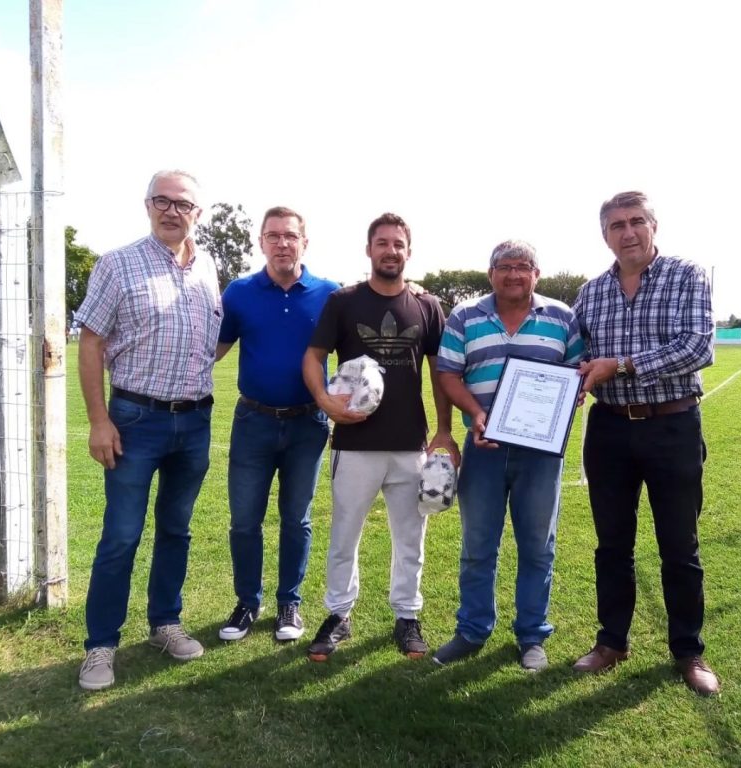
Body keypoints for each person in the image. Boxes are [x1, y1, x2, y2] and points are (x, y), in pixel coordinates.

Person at [75, 170, 221, 691]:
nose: (171, 211)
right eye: (162, 200)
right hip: (135, 421)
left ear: (197, 214)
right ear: (147, 205)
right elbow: (91, 342)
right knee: (121, 535)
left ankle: (165, 623)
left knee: (176, 529)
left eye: (183, 204)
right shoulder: (118, 264)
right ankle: (100, 646)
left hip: (195, 421)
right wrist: (99, 420)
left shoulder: (208, 267)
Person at [570, 190, 719, 696]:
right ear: (605, 235)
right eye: (617, 225)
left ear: (653, 226)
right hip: (609, 429)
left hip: (672, 426)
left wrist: (623, 365)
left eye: (637, 221)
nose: (628, 232)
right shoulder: (590, 293)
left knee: (679, 545)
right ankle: (611, 642)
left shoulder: (686, 275)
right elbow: (573, 354)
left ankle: (688, 651)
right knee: (612, 544)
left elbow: (697, 347)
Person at [302, 212, 459, 661]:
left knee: (411, 538)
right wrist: (324, 400)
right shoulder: (344, 301)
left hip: (410, 444)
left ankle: (407, 616)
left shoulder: (427, 306)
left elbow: (440, 372)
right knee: (344, 536)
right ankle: (338, 614)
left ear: (409, 251)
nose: (391, 251)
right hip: (354, 445)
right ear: (369, 249)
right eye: (383, 243)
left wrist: (444, 431)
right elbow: (313, 356)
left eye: (398, 244)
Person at [433, 240, 584, 671]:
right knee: (478, 546)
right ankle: (472, 630)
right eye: (504, 266)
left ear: (536, 273)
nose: (513, 274)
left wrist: (569, 397)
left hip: (540, 455)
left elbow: (577, 373)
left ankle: (532, 635)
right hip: (483, 449)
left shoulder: (562, 317)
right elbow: (448, 373)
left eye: (523, 266)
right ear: (491, 273)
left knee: (537, 547)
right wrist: (477, 414)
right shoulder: (465, 316)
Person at [215, 206, 339, 643]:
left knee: (296, 519)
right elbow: (212, 349)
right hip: (253, 422)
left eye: (290, 236)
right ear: (261, 242)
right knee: (244, 520)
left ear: (304, 242)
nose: (282, 243)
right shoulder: (239, 293)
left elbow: (358, 344)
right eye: (273, 236)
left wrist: (414, 289)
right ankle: (248, 602)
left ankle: (290, 602)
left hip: (308, 423)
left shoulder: (330, 294)